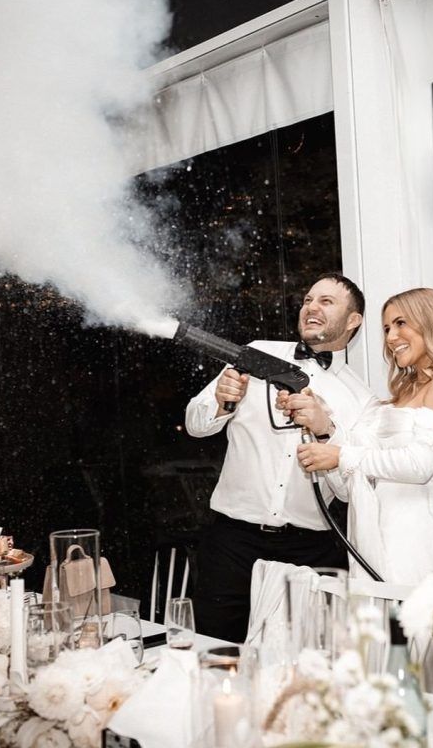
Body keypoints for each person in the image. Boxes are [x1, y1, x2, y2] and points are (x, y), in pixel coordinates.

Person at [184, 273, 378, 642]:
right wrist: (224, 401)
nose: (312, 307)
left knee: (302, 663)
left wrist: (326, 429)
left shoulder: (362, 400)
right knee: (217, 651)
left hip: (308, 548)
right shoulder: (256, 353)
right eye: (307, 300)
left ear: (353, 320)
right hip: (232, 542)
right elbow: (195, 424)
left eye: (326, 301)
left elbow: (352, 491)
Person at [284, 287, 433, 586]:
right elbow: (345, 489)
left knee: (407, 630)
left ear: (432, 322)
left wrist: (341, 455)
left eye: (401, 323)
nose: (391, 337)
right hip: (367, 541)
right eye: (386, 328)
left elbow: (420, 466)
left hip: (409, 544)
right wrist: (325, 432)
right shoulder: (395, 399)